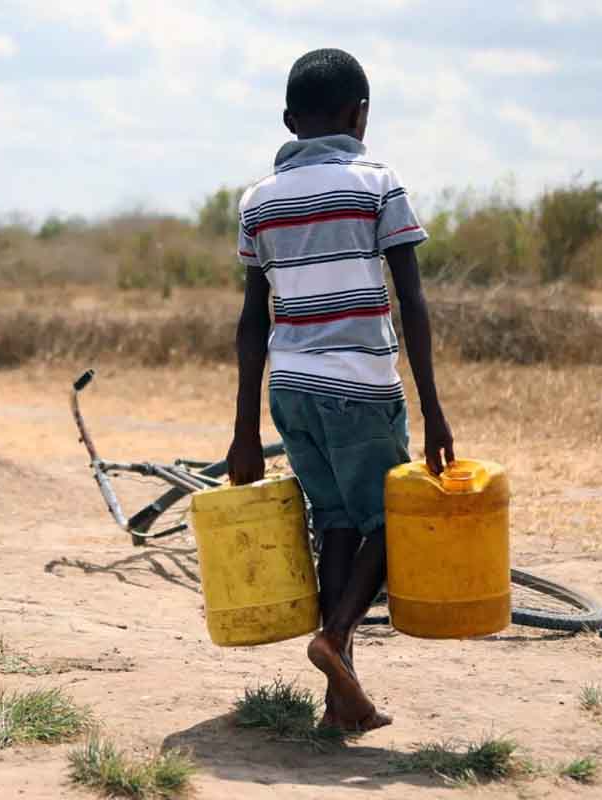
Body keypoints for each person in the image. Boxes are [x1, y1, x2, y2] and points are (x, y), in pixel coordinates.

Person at [226, 48, 454, 733]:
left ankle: (339, 700)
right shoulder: (377, 182)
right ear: (362, 114)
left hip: (290, 389)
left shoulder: (259, 201)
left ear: (290, 121)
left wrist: (242, 430)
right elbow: (411, 301)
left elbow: (249, 321)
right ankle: (337, 637)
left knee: (339, 525)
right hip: (359, 385)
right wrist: (436, 413)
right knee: (395, 519)